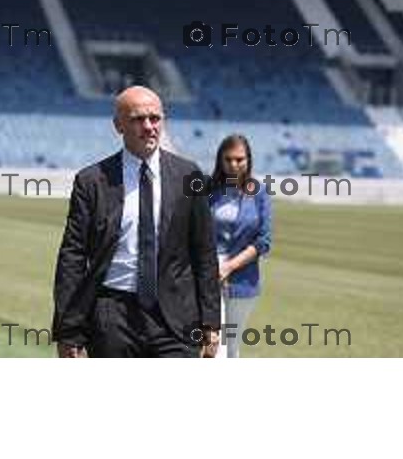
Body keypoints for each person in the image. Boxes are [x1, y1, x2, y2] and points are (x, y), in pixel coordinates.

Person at [52, 86, 220, 358]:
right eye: (137, 119)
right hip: (112, 318)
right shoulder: (92, 181)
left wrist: (211, 322)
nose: (148, 126)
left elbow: (204, 252)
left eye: (155, 118)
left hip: (176, 320)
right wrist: (68, 330)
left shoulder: (189, 174)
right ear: (118, 125)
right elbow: (72, 257)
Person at [209, 134, 272, 358]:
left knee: (232, 347)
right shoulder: (208, 189)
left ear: (248, 160)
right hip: (207, 277)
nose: (234, 165)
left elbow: (264, 241)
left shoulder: (260, 193)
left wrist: (228, 267)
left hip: (243, 280)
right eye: (228, 159)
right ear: (220, 160)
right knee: (214, 345)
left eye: (239, 159)